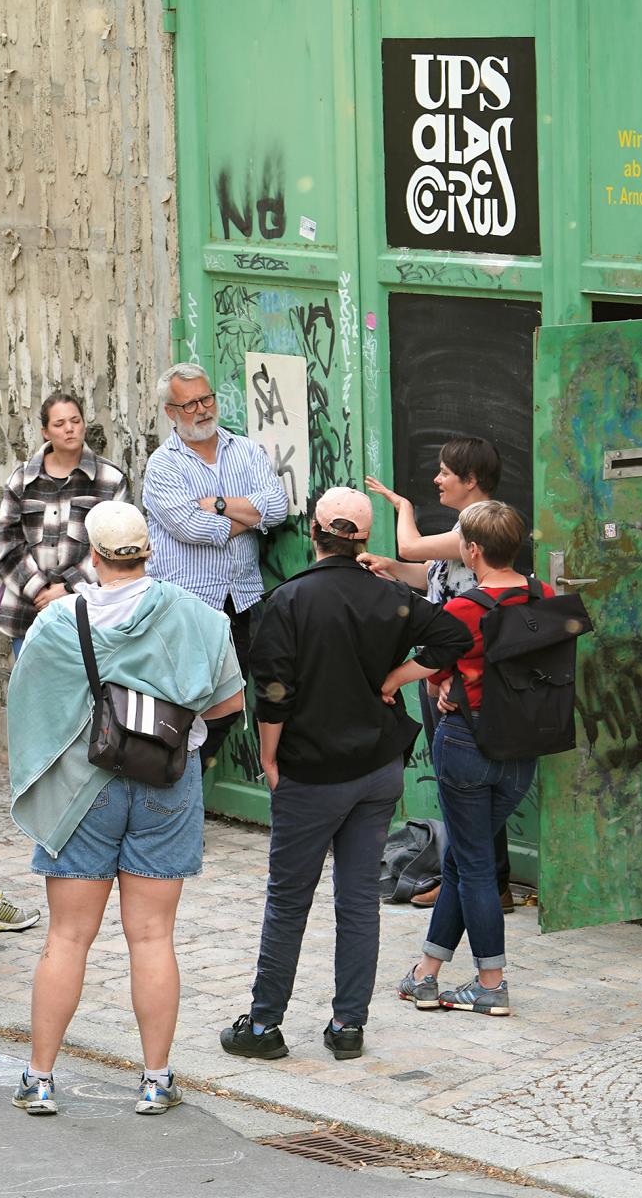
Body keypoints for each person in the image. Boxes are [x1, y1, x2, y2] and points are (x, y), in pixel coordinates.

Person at [6, 501, 244, 1116]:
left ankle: (40, 1079)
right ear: (148, 551)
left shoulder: (59, 621)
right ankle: (156, 1080)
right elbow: (227, 705)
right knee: (153, 936)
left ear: (93, 554)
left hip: (83, 788)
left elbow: (28, 706)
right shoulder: (197, 615)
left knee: (67, 937)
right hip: (166, 780)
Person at [221, 488, 470, 1064]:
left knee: (289, 901)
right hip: (376, 769)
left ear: (314, 532)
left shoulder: (287, 600)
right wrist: (398, 678)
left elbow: (274, 693)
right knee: (358, 900)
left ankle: (264, 1025)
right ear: (364, 539)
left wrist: (269, 757)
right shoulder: (391, 596)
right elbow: (455, 637)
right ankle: (348, 1026)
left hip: (312, 772)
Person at [383, 501, 543, 1018]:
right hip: (522, 748)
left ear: (471, 551)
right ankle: (425, 975)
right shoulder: (541, 595)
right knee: (460, 857)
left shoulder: (463, 609)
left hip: (467, 744)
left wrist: (438, 683)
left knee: (473, 865)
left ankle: (491, 983)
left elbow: (432, 675)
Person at [360, 436, 514, 911]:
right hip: (446, 667)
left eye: (445, 472)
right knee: (462, 782)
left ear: (471, 480)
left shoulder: (479, 523)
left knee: (462, 782)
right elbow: (427, 573)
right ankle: (486, 881)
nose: (437, 480)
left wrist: (403, 507)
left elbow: (410, 546)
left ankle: (473, 882)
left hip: (458, 671)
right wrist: (390, 567)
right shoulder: (462, 529)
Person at [142, 362, 289, 675]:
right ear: (170, 412)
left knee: (235, 693)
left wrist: (219, 505)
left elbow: (277, 507)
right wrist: (252, 516)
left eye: (206, 398)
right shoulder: (163, 466)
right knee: (189, 694)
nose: (202, 409)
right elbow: (192, 527)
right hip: (186, 604)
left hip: (240, 599)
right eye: (190, 404)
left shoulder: (246, 450)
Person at [0, 391, 130, 655]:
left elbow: (117, 546)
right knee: (32, 682)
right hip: (28, 613)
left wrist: (68, 587)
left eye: (75, 421)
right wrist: (40, 590)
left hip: (90, 613)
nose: (69, 429)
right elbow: (7, 546)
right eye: (59, 424)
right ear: (45, 432)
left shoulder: (111, 480)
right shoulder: (21, 479)